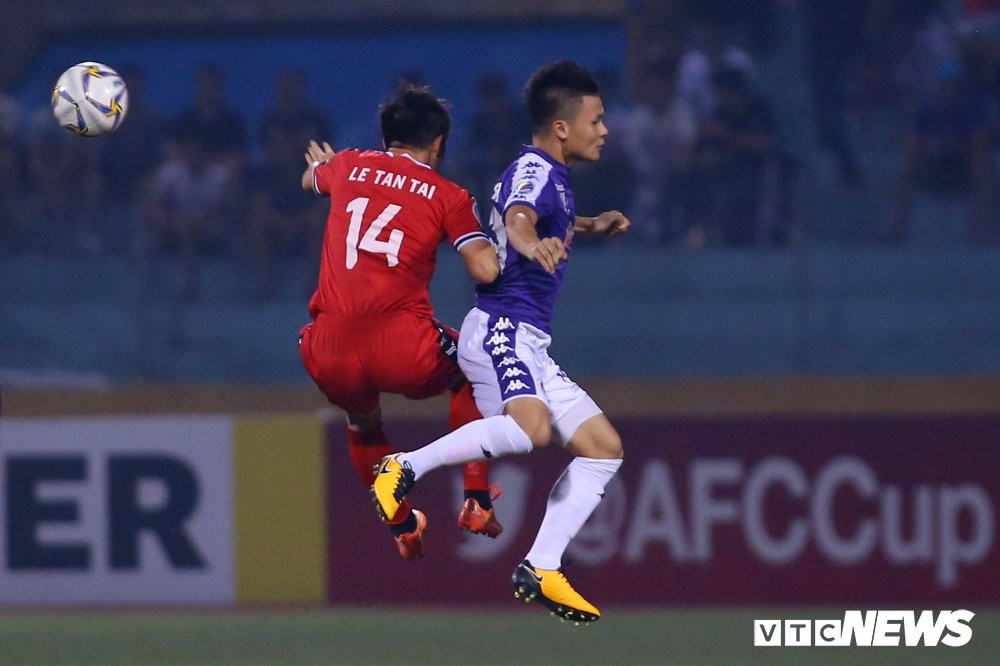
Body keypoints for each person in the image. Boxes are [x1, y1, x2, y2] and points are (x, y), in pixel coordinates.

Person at [371, 61, 629, 623]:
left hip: (529, 341)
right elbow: (516, 217)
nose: (605, 130)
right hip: (501, 331)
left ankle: (541, 567)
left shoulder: (552, 176)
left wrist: (586, 225)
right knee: (531, 430)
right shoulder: (535, 169)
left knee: (603, 449)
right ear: (562, 127)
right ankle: (403, 467)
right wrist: (532, 242)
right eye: (597, 119)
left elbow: (532, 209)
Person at [298, 85, 503, 561]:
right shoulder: (449, 195)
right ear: (438, 144)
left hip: (328, 348)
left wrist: (317, 167)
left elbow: (310, 180)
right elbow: (485, 270)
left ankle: (403, 524)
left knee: (362, 422)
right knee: (477, 366)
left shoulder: (347, 165)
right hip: (401, 345)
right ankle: (475, 497)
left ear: (386, 136)